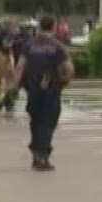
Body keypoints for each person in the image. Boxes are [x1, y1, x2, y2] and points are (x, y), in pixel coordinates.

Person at [11, 13, 74, 171]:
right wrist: (65, 81)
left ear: (40, 26)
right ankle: (43, 156)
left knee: (36, 120)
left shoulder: (29, 45)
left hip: (32, 89)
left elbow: (20, 67)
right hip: (51, 89)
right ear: (53, 27)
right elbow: (69, 68)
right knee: (48, 123)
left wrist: (14, 86)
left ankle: (35, 153)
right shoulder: (58, 46)